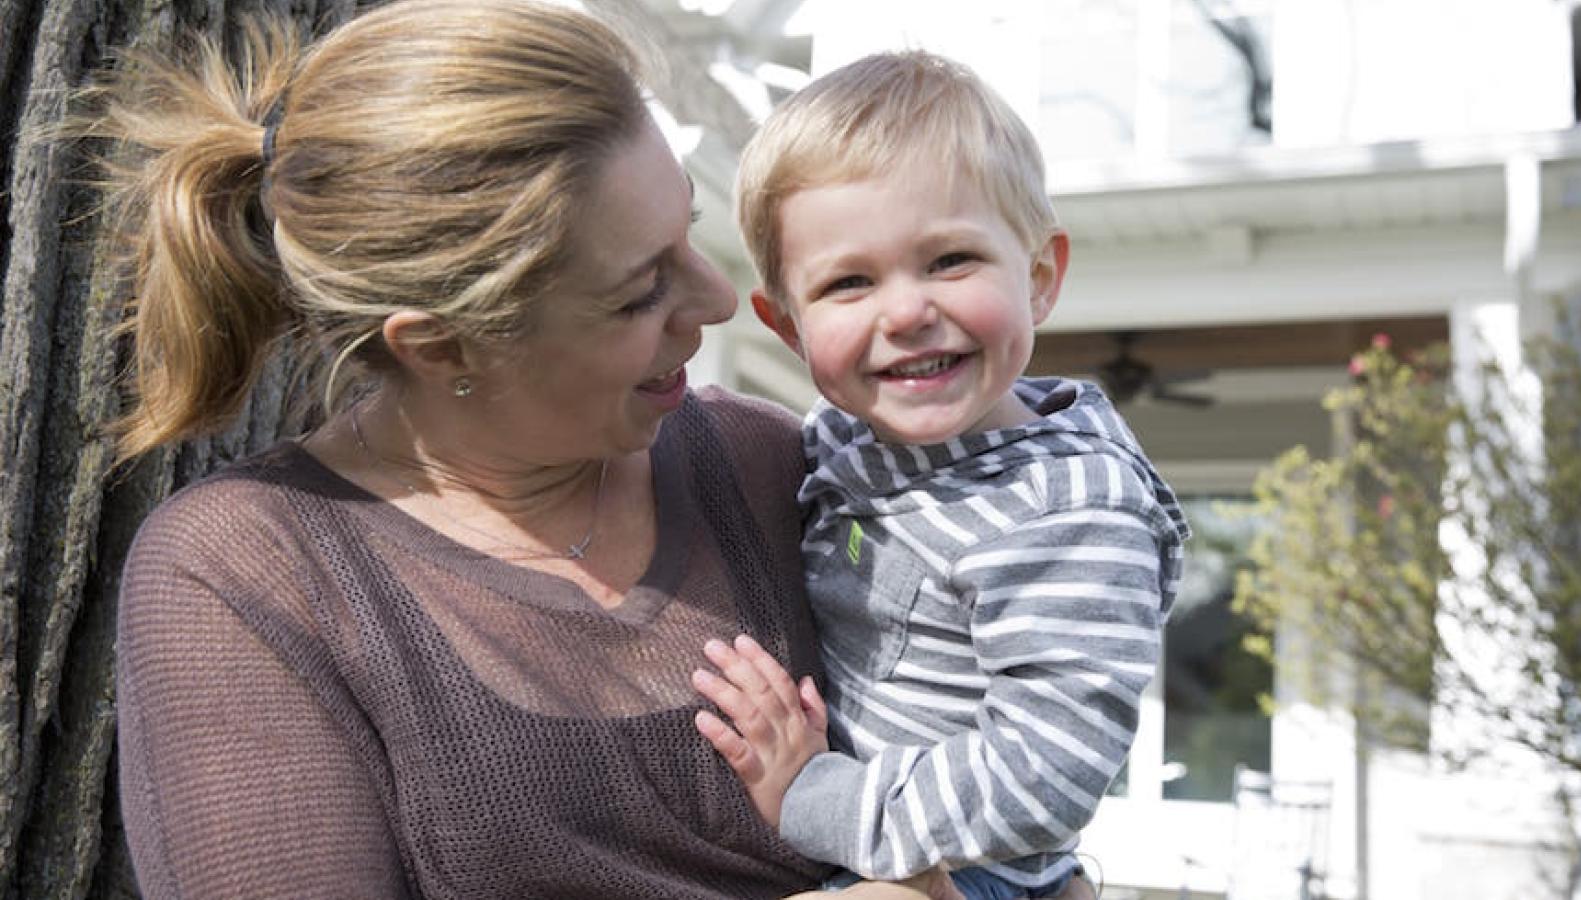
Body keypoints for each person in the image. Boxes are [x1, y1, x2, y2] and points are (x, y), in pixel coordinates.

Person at [99, 3, 959, 897]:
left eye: (688, 232)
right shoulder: (249, 577)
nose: (716, 300)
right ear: (440, 346)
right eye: (637, 295)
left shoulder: (769, 466)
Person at [691, 51, 1191, 900]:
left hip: (975, 869)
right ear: (788, 330)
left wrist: (822, 799)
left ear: (1038, 279)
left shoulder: (1066, 509)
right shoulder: (841, 437)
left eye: (950, 260)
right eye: (849, 282)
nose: (908, 310)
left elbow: (1051, 768)